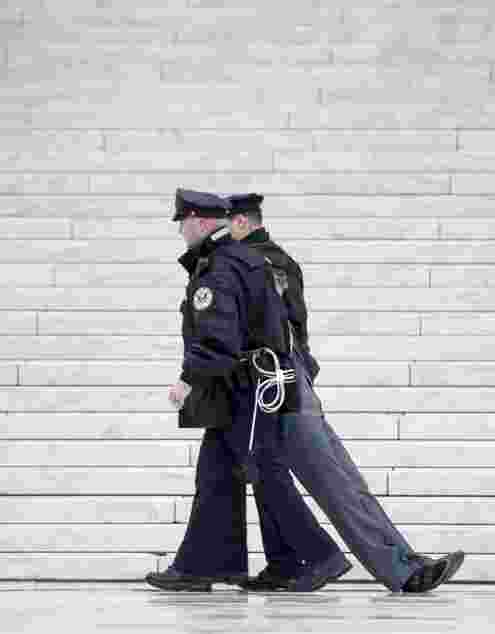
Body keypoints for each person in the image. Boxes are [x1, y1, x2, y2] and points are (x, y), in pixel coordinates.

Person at [226, 192, 466, 593]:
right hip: (282, 384)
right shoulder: (272, 260)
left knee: (334, 480)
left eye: (225, 225)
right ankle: (294, 565)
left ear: (240, 223)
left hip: (277, 385)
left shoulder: (258, 263)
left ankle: (403, 569)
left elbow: (276, 331)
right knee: (284, 478)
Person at [144, 189, 349, 592]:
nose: (180, 231)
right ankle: (209, 565)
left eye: (182, 223)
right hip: (243, 385)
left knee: (265, 470)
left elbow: (219, 339)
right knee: (217, 474)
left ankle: (316, 557)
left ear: (199, 221)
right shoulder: (240, 259)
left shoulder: (220, 267)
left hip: (245, 386)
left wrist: (188, 380)